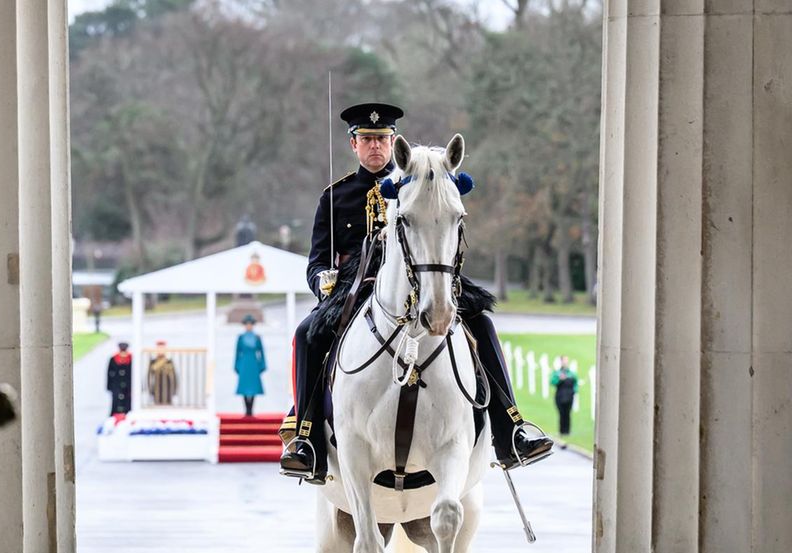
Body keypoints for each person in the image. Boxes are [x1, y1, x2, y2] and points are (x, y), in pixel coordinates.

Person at [279, 102, 554, 483]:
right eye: (366, 139)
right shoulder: (334, 196)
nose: (375, 146)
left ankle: (510, 431)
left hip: (423, 279)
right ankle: (306, 439)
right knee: (306, 335)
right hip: (354, 288)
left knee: (482, 325)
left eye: (382, 139)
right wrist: (322, 281)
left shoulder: (421, 181)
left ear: (394, 143)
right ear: (353, 145)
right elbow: (315, 261)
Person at [234, 314, 267, 417]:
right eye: (247, 324)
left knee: (253, 387)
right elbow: (237, 352)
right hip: (244, 363)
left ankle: (251, 409)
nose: (249, 326)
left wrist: (262, 365)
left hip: (253, 363)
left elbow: (261, 352)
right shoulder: (240, 337)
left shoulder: (257, 338)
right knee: (244, 386)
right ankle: (246, 409)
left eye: (250, 324)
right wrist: (236, 365)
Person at [550, 356, 579, 437]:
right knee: (562, 413)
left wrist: (575, 391)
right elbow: (552, 382)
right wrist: (559, 379)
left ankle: (567, 431)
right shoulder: (557, 373)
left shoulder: (571, 373)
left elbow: (576, 383)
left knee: (568, 413)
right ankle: (562, 431)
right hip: (560, 396)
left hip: (569, 396)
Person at [147, 340, 178, 405]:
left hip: (167, 390)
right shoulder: (153, 362)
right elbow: (149, 377)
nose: (161, 350)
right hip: (156, 390)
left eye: (162, 348)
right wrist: (150, 391)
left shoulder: (169, 361)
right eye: (159, 348)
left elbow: (174, 376)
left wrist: (174, 390)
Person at [107, 341, 133, 415]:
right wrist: (109, 386)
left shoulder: (131, 358)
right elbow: (109, 373)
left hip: (128, 385)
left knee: (128, 402)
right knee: (116, 401)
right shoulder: (113, 358)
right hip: (116, 384)